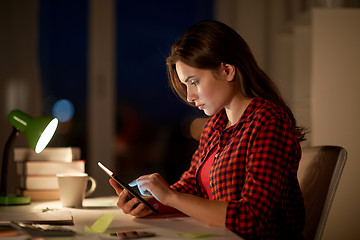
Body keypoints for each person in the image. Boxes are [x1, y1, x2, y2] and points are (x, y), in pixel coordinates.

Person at [109, 20, 306, 240]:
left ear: (227, 70)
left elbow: (250, 217)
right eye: (185, 85)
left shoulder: (267, 121)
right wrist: (151, 202)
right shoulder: (216, 125)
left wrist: (170, 197)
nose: (189, 96)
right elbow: (193, 186)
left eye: (194, 82)